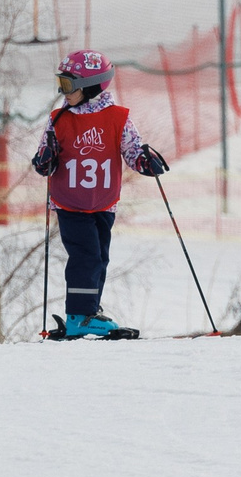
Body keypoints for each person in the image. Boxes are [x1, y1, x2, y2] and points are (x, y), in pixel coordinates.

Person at [31, 49, 167, 340]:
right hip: (70, 202)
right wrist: (45, 160)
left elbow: (131, 150)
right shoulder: (58, 120)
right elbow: (45, 156)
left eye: (68, 85)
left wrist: (144, 161)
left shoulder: (118, 118)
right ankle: (78, 316)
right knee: (86, 256)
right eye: (60, 83)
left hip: (103, 203)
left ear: (90, 86)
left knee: (100, 258)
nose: (62, 91)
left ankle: (89, 310)